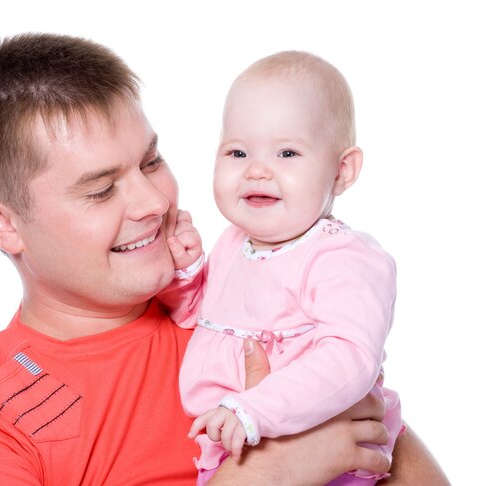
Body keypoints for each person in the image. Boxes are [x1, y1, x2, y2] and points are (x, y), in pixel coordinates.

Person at [0, 34, 447, 485]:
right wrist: (265, 476)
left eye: (152, 160)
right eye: (100, 190)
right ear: (4, 224)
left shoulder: (257, 307)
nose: (155, 202)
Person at [159, 51, 402, 485]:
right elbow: (206, 318)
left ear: (342, 171)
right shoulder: (235, 242)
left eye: (287, 152)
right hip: (235, 450)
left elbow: (350, 359)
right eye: (237, 151)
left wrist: (256, 410)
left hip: (328, 457)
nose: (256, 170)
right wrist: (184, 273)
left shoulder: (341, 258)